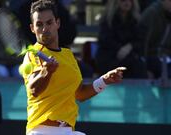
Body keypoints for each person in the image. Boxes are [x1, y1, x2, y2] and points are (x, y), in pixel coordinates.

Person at [20, 0, 126, 135]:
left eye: (49, 23)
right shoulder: (33, 54)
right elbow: (33, 90)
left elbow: (80, 93)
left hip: (68, 130)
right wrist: (47, 72)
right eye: (39, 24)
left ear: (57, 23)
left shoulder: (68, 56)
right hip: (41, 130)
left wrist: (104, 80)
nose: (45, 29)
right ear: (32, 28)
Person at [96, 0, 147, 78]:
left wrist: (129, 46)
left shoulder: (136, 20)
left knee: (139, 65)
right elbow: (105, 40)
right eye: (123, 0)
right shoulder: (107, 20)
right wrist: (120, 49)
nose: (127, 2)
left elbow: (139, 40)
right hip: (110, 56)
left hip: (129, 57)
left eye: (130, 0)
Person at [138, 0, 171, 78]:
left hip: (166, 57)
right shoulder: (152, 13)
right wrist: (144, 67)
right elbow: (142, 42)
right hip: (152, 56)